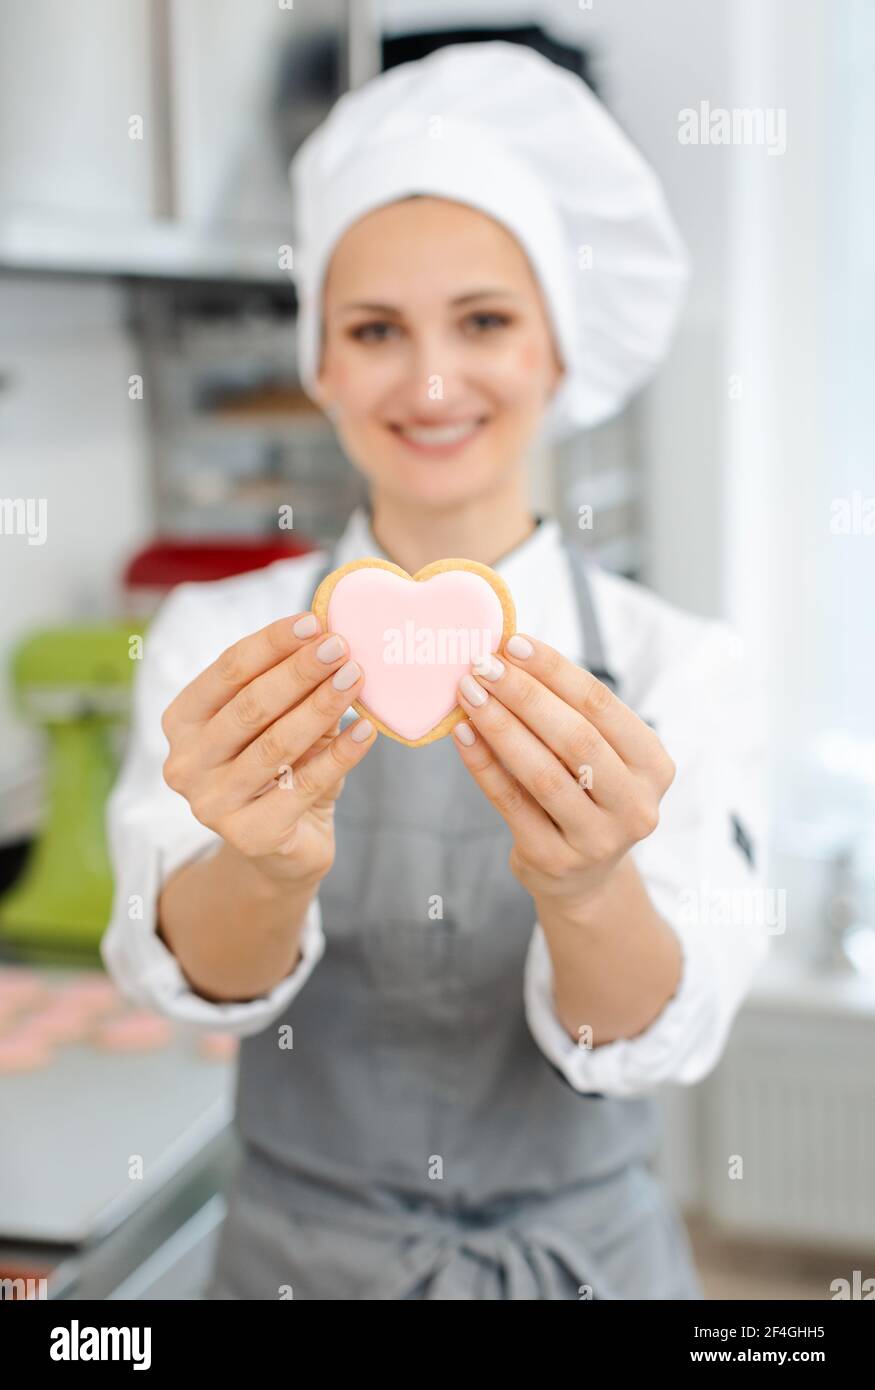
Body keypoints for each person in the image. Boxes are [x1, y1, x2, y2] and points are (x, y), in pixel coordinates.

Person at [102, 42, 768, 1300]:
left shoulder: (676, 665)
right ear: (320, 365)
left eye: (482, 320)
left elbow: (661, 1031)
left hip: (587, 1267)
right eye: (372, 329)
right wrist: (260, 861)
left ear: (558, 351)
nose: (427, 380)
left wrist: (585, 886)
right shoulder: (216, 641)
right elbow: (196, 981)